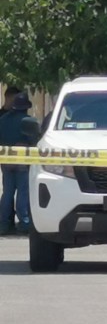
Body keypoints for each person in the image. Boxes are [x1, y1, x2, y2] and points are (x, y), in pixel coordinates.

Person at [0, 92, 34, 235]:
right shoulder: (30, 122)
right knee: (23, 192)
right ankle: (24, 222)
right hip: (22, 161)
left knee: (7, 192)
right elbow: (34, 141)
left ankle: (3, 223)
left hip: (6, 160)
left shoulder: (3, 120)